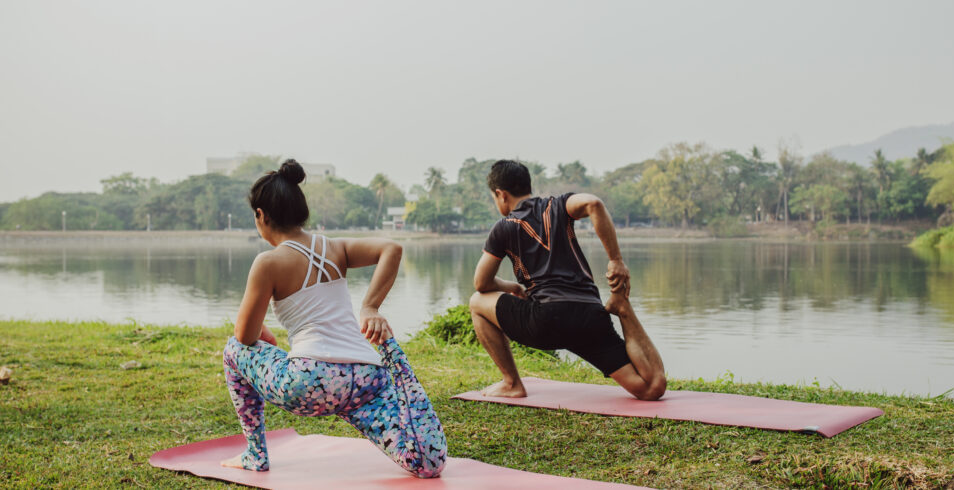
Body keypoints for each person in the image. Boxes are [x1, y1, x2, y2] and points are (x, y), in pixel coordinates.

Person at [220, 160, 446, 478]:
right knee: (423, 464)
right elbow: (391, 249)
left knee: (232, 350)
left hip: (311, 381)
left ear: (262, 215)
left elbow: (244, 336)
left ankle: (256, 454)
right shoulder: (334, 247)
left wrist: (260, 333)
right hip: (366, 379)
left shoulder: (268, 262)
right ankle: (424, 459)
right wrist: (370, 307)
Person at [469, 160, 666, 401]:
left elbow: (481, 283)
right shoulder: (559, 206)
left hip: (546, 321)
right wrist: (615, 260)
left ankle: (511, 383)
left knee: (477, 302)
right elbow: (593, 203)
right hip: (590, 317)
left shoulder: (505, 226)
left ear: (500, 194)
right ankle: (623, 309)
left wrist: (510, 287)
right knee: (652, 388)